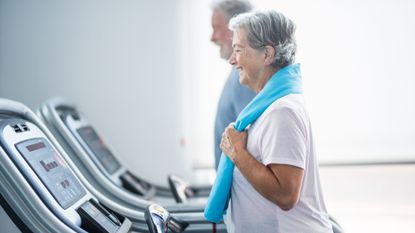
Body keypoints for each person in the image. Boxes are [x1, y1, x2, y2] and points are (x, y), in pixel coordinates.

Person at [220, 10, 333, 232]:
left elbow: (286, 194)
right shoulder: (270, 107)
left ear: (267, 55)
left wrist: (237, 153)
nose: (232, 60)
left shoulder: (282, 111)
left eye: (238, 50)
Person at [210, 0, 256, 170]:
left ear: (233, 30)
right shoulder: (237, 73)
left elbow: (252, 144)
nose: (212, 37)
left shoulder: (246, 77)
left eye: (216, 28)